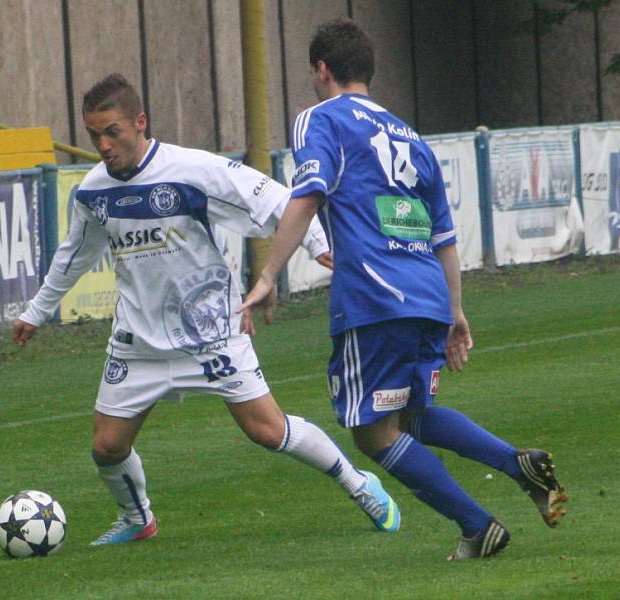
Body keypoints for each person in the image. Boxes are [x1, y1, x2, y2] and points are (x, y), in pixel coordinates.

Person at [12, 72, 399, 545]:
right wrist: (36, 311)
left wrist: (315, 242)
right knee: (107, 446)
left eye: (112, 131)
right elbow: (75, 254)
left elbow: (274, 196)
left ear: (140, 122)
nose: (103, 144)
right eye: (94, 135)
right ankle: (138, 519)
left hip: (210, 333)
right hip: (139, 344)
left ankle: (359, 484)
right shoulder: (94, 191)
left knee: (268, 431)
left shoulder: (191, 170)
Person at [239, 18, 568, 560]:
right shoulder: (410, 136)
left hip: (374, 298)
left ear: (321, 70)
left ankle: (476, 525)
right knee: (411, 415)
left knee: (371, 432)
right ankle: (516, 463)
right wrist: (455, 311)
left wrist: (270, 274)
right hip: (428, 296)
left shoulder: (319, 120)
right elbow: (444, 235)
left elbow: (308, 193)